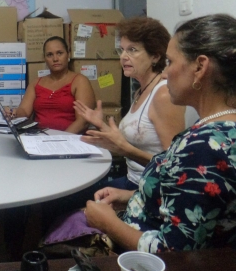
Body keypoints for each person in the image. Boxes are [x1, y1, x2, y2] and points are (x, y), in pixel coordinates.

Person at [84, 14, 236, 253]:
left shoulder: (204, 149)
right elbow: (195, 201)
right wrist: (130, 196)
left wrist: (108, 223)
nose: (166, 73)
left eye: (170, 62)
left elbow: (174, 254)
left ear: (200, 67)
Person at [74, 16, 186, 191]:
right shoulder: (140, 91)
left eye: (132, 50)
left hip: (151, 189)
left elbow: (173, 166)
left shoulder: (163, 94)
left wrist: (124, 149)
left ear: (155, 56)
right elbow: (134, 138)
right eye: (122, 50)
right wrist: (100, 124)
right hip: (132, 180)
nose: (124, 57)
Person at [13, 36, 95, 133]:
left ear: (68, 55)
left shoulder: (80, 81)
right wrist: (14, 113)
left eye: (59, 53)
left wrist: (61, 140)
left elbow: (83, 121)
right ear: (45, 58)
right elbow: (24, 111)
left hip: (71, 141)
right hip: (39, 139)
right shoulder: (36, 83)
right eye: (49, 55)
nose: (55, 59)